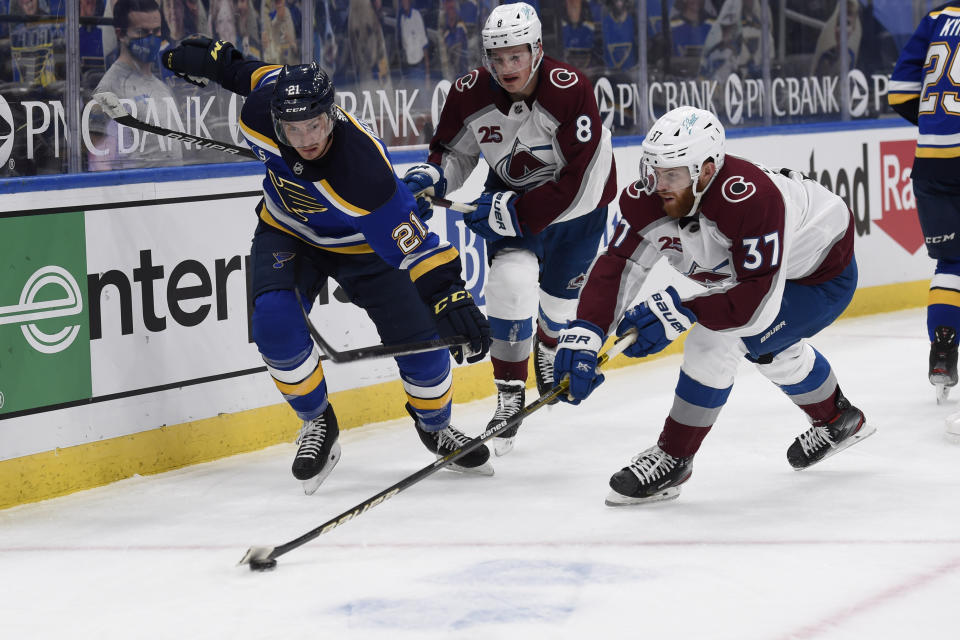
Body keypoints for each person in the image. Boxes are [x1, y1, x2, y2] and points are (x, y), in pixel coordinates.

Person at [160, 36, 493, 493]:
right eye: (293, 130)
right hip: (289, 233)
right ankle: (318, 423)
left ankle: (434, 425)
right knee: (274, 326)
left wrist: (449, 293)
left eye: (314, 127)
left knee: (426, 349)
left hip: (366, 249)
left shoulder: (364, 173)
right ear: (277, 118)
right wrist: (220, 62)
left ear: (331, 114)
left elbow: (415, 246)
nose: (306, 140)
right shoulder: (260, 110)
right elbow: (248, 73)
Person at [553, 106, 874, 506]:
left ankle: (674, 457)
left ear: (706, 170)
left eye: (671, 175)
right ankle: (838, 418)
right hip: (758, 277)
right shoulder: (647, 197)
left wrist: (684, 310)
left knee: (716, 340)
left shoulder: (750, 200)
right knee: (771, 348)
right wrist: (586, 331)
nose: (657, 186)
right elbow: (621, 263)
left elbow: (755, 303)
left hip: (820, 278)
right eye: (651, 171)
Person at [403, 2, 617, 456]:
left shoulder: (570, 90)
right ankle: (508, 396)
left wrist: (517, 213)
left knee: (558, 312)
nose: (506, 68)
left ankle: (548, 338)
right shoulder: (469, 93)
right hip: (514, 203)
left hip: (578, 215)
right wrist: (432, 178)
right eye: (496, 58)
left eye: (516, 56)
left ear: (537, 49)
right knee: (511, 285)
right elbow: (453, 153)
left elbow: (585, 181)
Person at [888, 2, 960, 404]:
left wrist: (938, 123)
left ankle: (944, 350)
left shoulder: (936, 17)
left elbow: (899, 92)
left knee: (952, 262)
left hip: (932, 162)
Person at [89, 0, 183, 170]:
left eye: (156, 31)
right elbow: (99, 164)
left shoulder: (162, 88)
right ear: (120, 34)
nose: (152, 38)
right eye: (142, 32)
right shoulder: (110, 88)